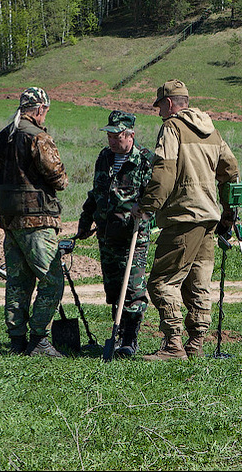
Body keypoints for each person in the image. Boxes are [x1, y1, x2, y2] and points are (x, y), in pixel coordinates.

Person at [132, 79, 240, 361]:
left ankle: (172, 345)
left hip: (183, 216)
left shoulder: (172, 127)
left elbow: (164, 172)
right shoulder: (212, 131)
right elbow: (231, 172)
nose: (158, 113)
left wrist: (147, 207)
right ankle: (196, 344)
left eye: (159, 107)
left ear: (169, 104)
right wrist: (228, 215)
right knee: (198, 282)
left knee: (162, 281)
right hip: (209, 218)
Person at [0, 87, 70, 357]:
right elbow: (58, 177)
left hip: (10, 220)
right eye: (45, 110)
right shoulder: (38, 137)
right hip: (37, 221)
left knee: (18, 282)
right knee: (52, 280)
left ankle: (17, 340)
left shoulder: (3, 136)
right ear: (39, 109)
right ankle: (39, 339)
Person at [75, 110, 153, 358]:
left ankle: (130, 338)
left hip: (133, 236)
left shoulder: (145, 160)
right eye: (109, 134)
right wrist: (86, 220)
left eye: (116, 135)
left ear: (130, 135)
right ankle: (117, 333)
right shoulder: (105, 158)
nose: (111, 140)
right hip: (107, 234)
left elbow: (154, 197)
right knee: (113, 288)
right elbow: (96, 191)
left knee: (132, 288)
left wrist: (143, 213)